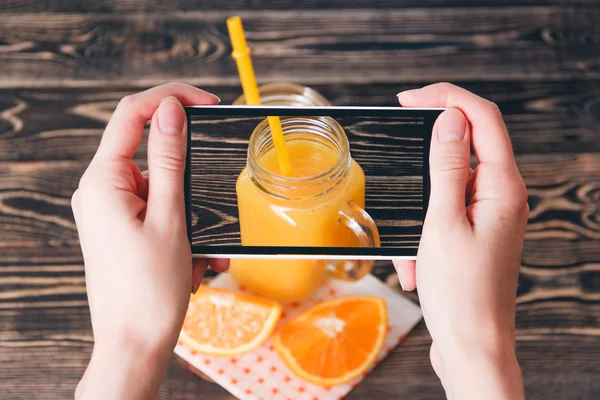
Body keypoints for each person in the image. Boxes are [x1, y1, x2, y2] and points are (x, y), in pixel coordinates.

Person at [71, 82, 528, 400]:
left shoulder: (346, 174)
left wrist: (126, 347)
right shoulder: (252, 181)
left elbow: (359, 230)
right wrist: (478, 356)